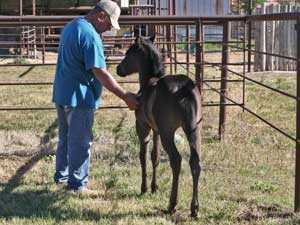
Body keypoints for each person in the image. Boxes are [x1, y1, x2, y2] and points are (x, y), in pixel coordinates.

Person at [52, 0, 138, 194]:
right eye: (109, 24)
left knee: (65, 138)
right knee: (80, 141)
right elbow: (99, 71)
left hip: (62, 92)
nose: (108, 29)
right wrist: (124, 95)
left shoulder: (71, 26)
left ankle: (62, 176)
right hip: (79, 96)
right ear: (101, 16)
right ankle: (77, 185)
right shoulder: (90, 36)